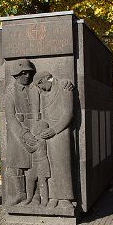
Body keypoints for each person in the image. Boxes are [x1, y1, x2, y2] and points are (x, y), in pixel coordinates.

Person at [33, 71, 75, 209]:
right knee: (50, 165)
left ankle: (65, 198)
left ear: (46, 78)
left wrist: (54, 130)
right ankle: (53, 197)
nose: (40, 88)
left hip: (60, 132)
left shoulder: (63, 86)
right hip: (47, 133)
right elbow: (44, 116)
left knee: (62, 164)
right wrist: (41, 128)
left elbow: (68, 113)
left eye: (40, 84)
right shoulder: (44, 96)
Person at [4, 58, 38, 205]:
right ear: (16, 75)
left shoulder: (35, 88)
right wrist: (23, 134)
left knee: (34, 164)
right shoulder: (10, 92)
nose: (27, 76)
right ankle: (20, 194)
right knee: (16, 164)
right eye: (23, 73)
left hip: (35, 127)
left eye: (29, 73)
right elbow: (10, 117)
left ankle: (35, 195)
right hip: (17, 131)